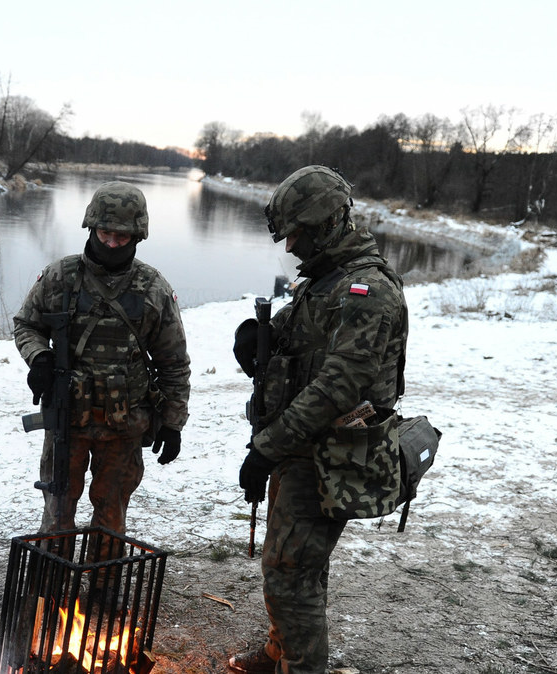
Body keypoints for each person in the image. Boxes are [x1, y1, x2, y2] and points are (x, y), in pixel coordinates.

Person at [230, 166, 409, 674]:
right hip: (304, 446)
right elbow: (301, 334)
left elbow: (339, 386)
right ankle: (279, 651)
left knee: (291, 569)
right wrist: (258, 337)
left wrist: (267, 448)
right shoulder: (328, 280)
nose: (290, 248)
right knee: (293, 562)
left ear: (326, 223)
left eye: (296, 235)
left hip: (331, 452)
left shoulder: (367, 290)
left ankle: (300, 666)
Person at [13, 180, 191, 543]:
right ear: (91, 227)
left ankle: (103, 591)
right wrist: (40, 357)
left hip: (124, 427)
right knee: (57, 511)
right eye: (105, 233)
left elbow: (173, 363)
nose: (111, 243)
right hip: (67, 422)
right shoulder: (60, 277)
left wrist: (173, 423)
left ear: (138, 235)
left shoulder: (154, 289)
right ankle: (51, 591)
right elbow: (26, 325)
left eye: (122, 237)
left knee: (111, 517)